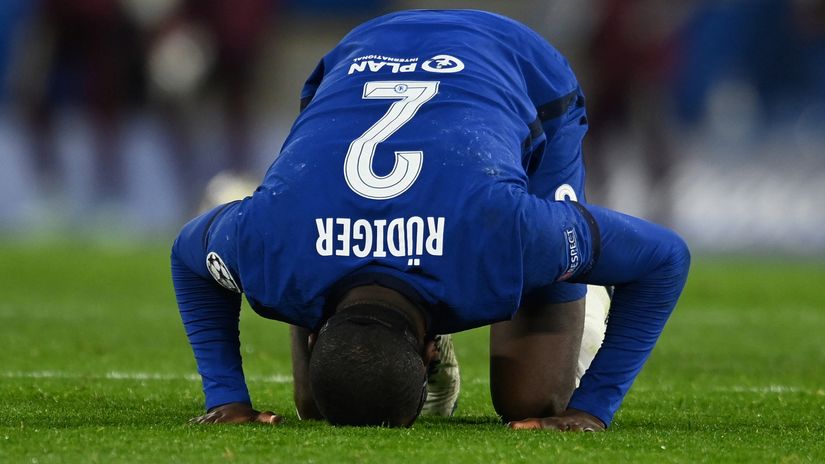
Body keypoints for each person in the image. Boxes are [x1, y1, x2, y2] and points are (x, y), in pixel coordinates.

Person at [171, 9, 689, 431]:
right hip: (360, 59)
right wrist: (227, 399)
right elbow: (187, 254)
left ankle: (577, 274)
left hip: (516, 65)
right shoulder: (271, 245)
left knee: (534, 399)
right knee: (326, 395)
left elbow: (662, 259)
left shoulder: (506, 233)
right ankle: (534, 267)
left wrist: (590, 409)